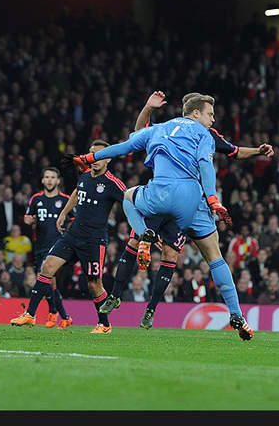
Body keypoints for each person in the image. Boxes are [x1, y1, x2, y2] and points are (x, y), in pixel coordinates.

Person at [67, 93, 255, 340]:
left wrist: (90, 158)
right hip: (192, 201)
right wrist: (212, 198)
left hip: (158, 195)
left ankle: (143, 234)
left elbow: (125, 146)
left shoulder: (160, 128)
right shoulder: (205, 134)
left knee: (128, 197)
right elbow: (205, 163)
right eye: (210, 114)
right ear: (196, 113)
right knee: (215, 257)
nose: (213, 119)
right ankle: (237, 314)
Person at [12, 140, 125, 333]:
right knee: (47, 266)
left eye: (99, 155)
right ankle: (30, 314)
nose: (95, 159)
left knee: (94, 284)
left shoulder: (113, 183)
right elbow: (76, 193)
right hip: (73, 235)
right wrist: (64, 213)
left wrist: (138, 228)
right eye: (92, 154)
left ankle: (104, 324)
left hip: (93, 240)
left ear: (108, 159)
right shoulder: (85, 176)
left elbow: (129, 202)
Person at [16, 167, 73, 328]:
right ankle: (63, 316)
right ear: (42, 180)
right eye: (47, 177)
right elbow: (27, 216)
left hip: (58, 247)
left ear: (58, 181)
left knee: (44, 277)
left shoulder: (65, 200)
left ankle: (46, 313)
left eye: (53, 177)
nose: (49, 180)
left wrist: (67, 229)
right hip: (40, 245)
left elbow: (74, 219)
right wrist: (28, 220)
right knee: (49, 282)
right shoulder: (36, 199)